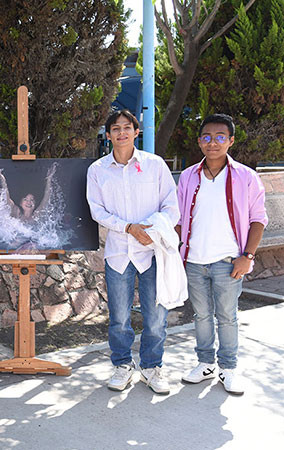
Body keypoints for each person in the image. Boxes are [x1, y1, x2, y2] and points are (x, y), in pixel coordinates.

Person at [86, 110, 180, 395]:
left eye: (128, 128)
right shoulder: (98, 170)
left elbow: (171, 207)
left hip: (153, 252)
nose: (122, 133)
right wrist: (128, 227)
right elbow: (96, 210)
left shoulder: (155, 165)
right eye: (116, 129)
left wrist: (147, 231)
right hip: (118, 253)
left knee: (155, 316)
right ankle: (122, 365)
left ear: (136, 132)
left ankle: (151, 366)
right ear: (109, 134)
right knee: (119, 318)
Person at [176, 113, 267, 395]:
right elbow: (178, 219)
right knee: (201, 316)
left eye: (219, 137)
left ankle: (228, 368)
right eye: (206, 137)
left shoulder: (246, 177)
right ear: (199, 141)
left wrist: (248, 256)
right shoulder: (188, 176)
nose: (212, 143)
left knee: (227, 316)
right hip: (194, 261)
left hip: (229, 262)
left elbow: (258, 219)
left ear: (230, 141)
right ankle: (205, 364)